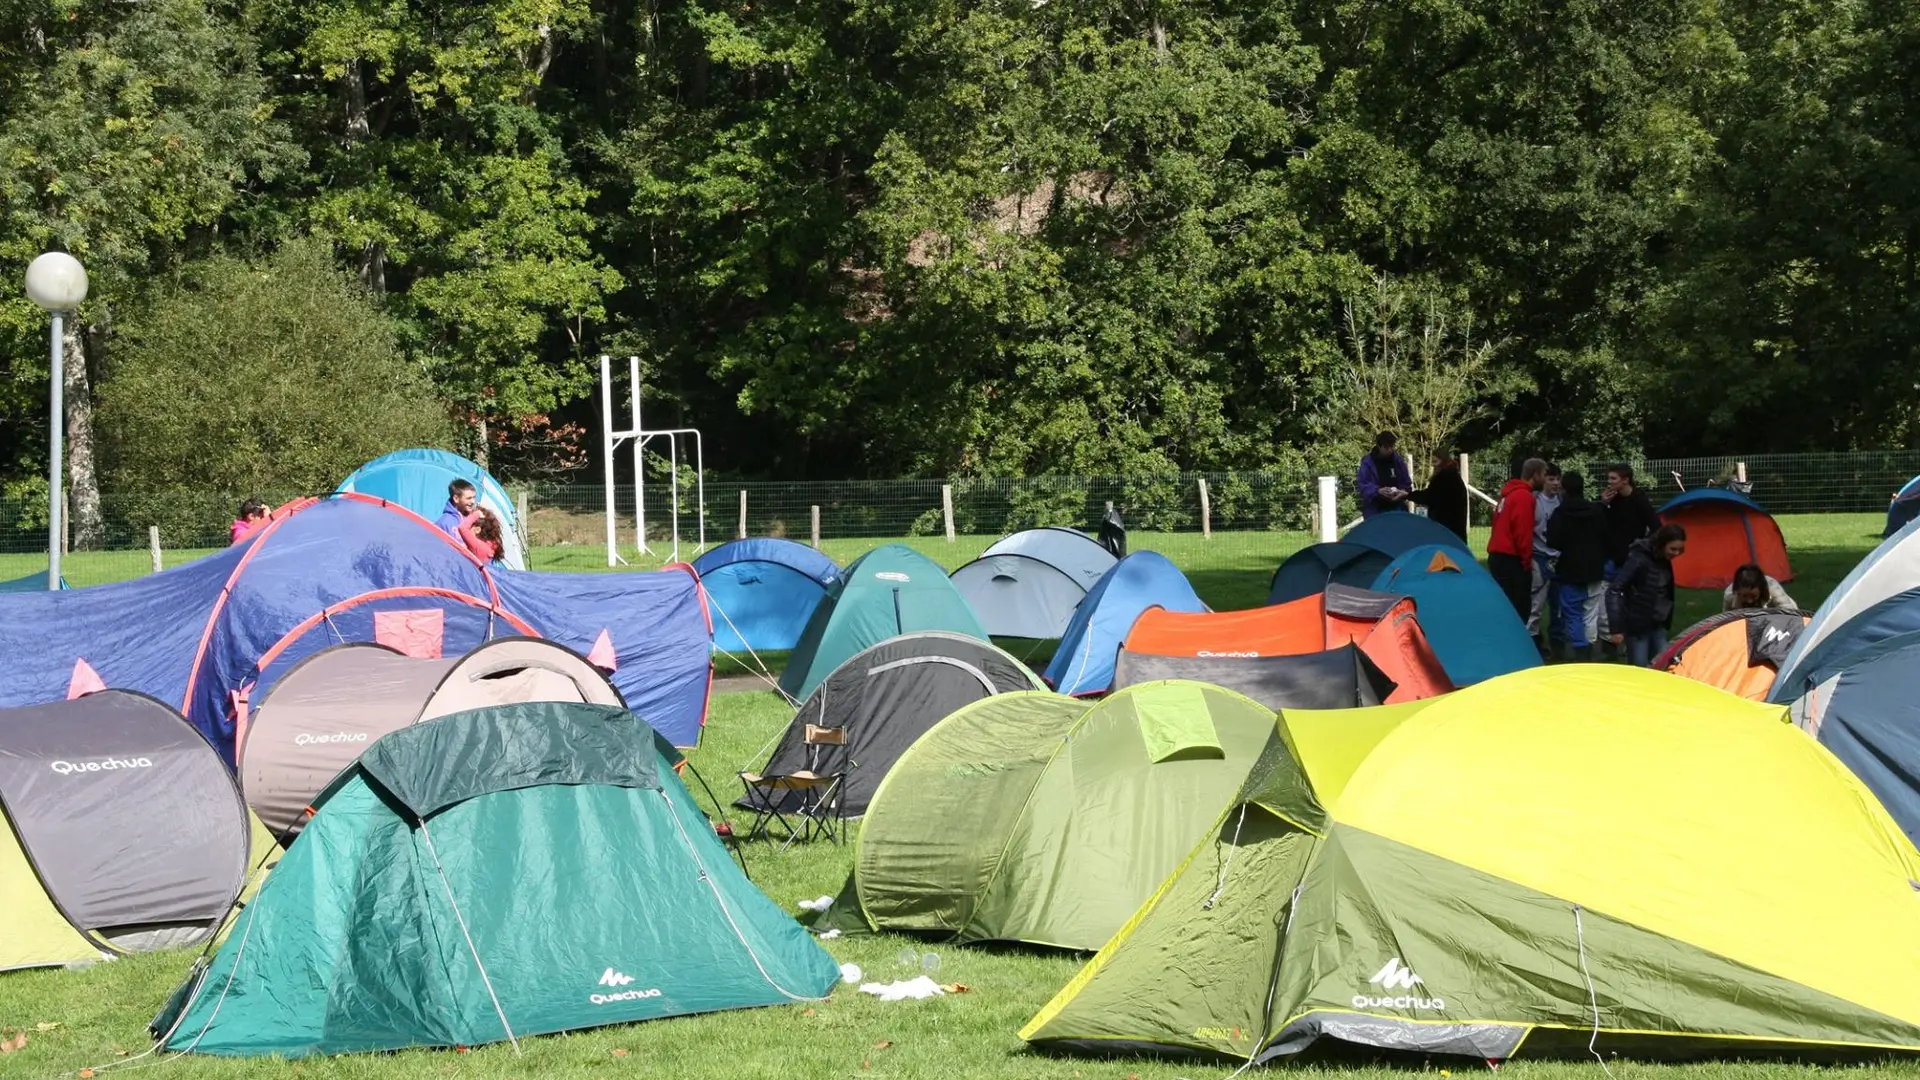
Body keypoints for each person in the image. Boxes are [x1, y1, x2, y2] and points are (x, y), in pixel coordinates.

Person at [1545, 471, 1609, 661]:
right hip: (1594, 570)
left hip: (1569, 571)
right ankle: (1589, 650)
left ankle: (1579, 651)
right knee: (1591, 613)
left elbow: (1552, 541)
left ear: (1564, 489)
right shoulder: (1596, 511)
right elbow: (1606, 536)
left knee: (1573, 614)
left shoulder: (1560, 513)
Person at [1608, 523, 1687, 667]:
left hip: (1658, 623)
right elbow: (1614, 590)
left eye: (1679, 550)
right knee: (1640, 667)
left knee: (1665, 665)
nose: (1676, 553)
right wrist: (1616, 628)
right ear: (1662, 544)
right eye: (1673, 549)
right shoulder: (1639, 558)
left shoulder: (1664, 560)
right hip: (1638, 625)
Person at [1487, 458, 1547, 620]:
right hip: (1511, 559)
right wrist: (1526, 562)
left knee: (1503, 607)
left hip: (1497, 556)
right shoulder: (1524, 497)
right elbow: (1523, 532)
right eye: (1544, 474)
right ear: (1535, 475)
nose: (1545, 479)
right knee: (1519, 610)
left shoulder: (1509, 495)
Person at [1527, 464, 1563, 641]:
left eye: (1558, 479)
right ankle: (1532, 639)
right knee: (1537, 603)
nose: (1555, 483)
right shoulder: (1535, 501)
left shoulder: (1562, 501)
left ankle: (1557, 639)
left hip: (1558, 558)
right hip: (1539, 557)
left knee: (1558, 604)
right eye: (1551, 479)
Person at [1601, 464, 1661, 570]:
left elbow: (1655, 526)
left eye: (1613, 478)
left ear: (1625, 480)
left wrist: (1641, 545)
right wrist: (1604, 504)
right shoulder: (1614, 499)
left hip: (1634, 554)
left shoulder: (1639, 499)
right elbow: (1607, 524)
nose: (1609, 481)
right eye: (1609, 478)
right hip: (1615, 554)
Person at [1407, 449, 1469, 541]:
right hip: (1453, 528)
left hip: (1447, 528)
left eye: (1435, 461)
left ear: (1443, 461)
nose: (1433, 465)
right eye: (1432, 462)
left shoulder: (1445, 477)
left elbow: (1429, 497)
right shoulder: (1452, 476)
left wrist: (1407, 495)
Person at [1356, 432, 1413, 518]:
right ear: (1379, 446)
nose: (1390, 450)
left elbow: (1406, 482)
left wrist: (1402, 492)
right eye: (1386, 448)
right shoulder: (1368, 463)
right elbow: (1362, 485)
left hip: (1397, 508)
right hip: (1375, 510)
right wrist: (1377, 491)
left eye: (1392, 447)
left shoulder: (1398, 460)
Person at [1723, 563, 1796, 611]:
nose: (1749, 601)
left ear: (1761, 589)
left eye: (1753, 596)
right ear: (1737, 592)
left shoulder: (1773, 588)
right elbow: (1726, 624)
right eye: (1744, 596)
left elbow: (1790, 614)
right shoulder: (1729, 595)